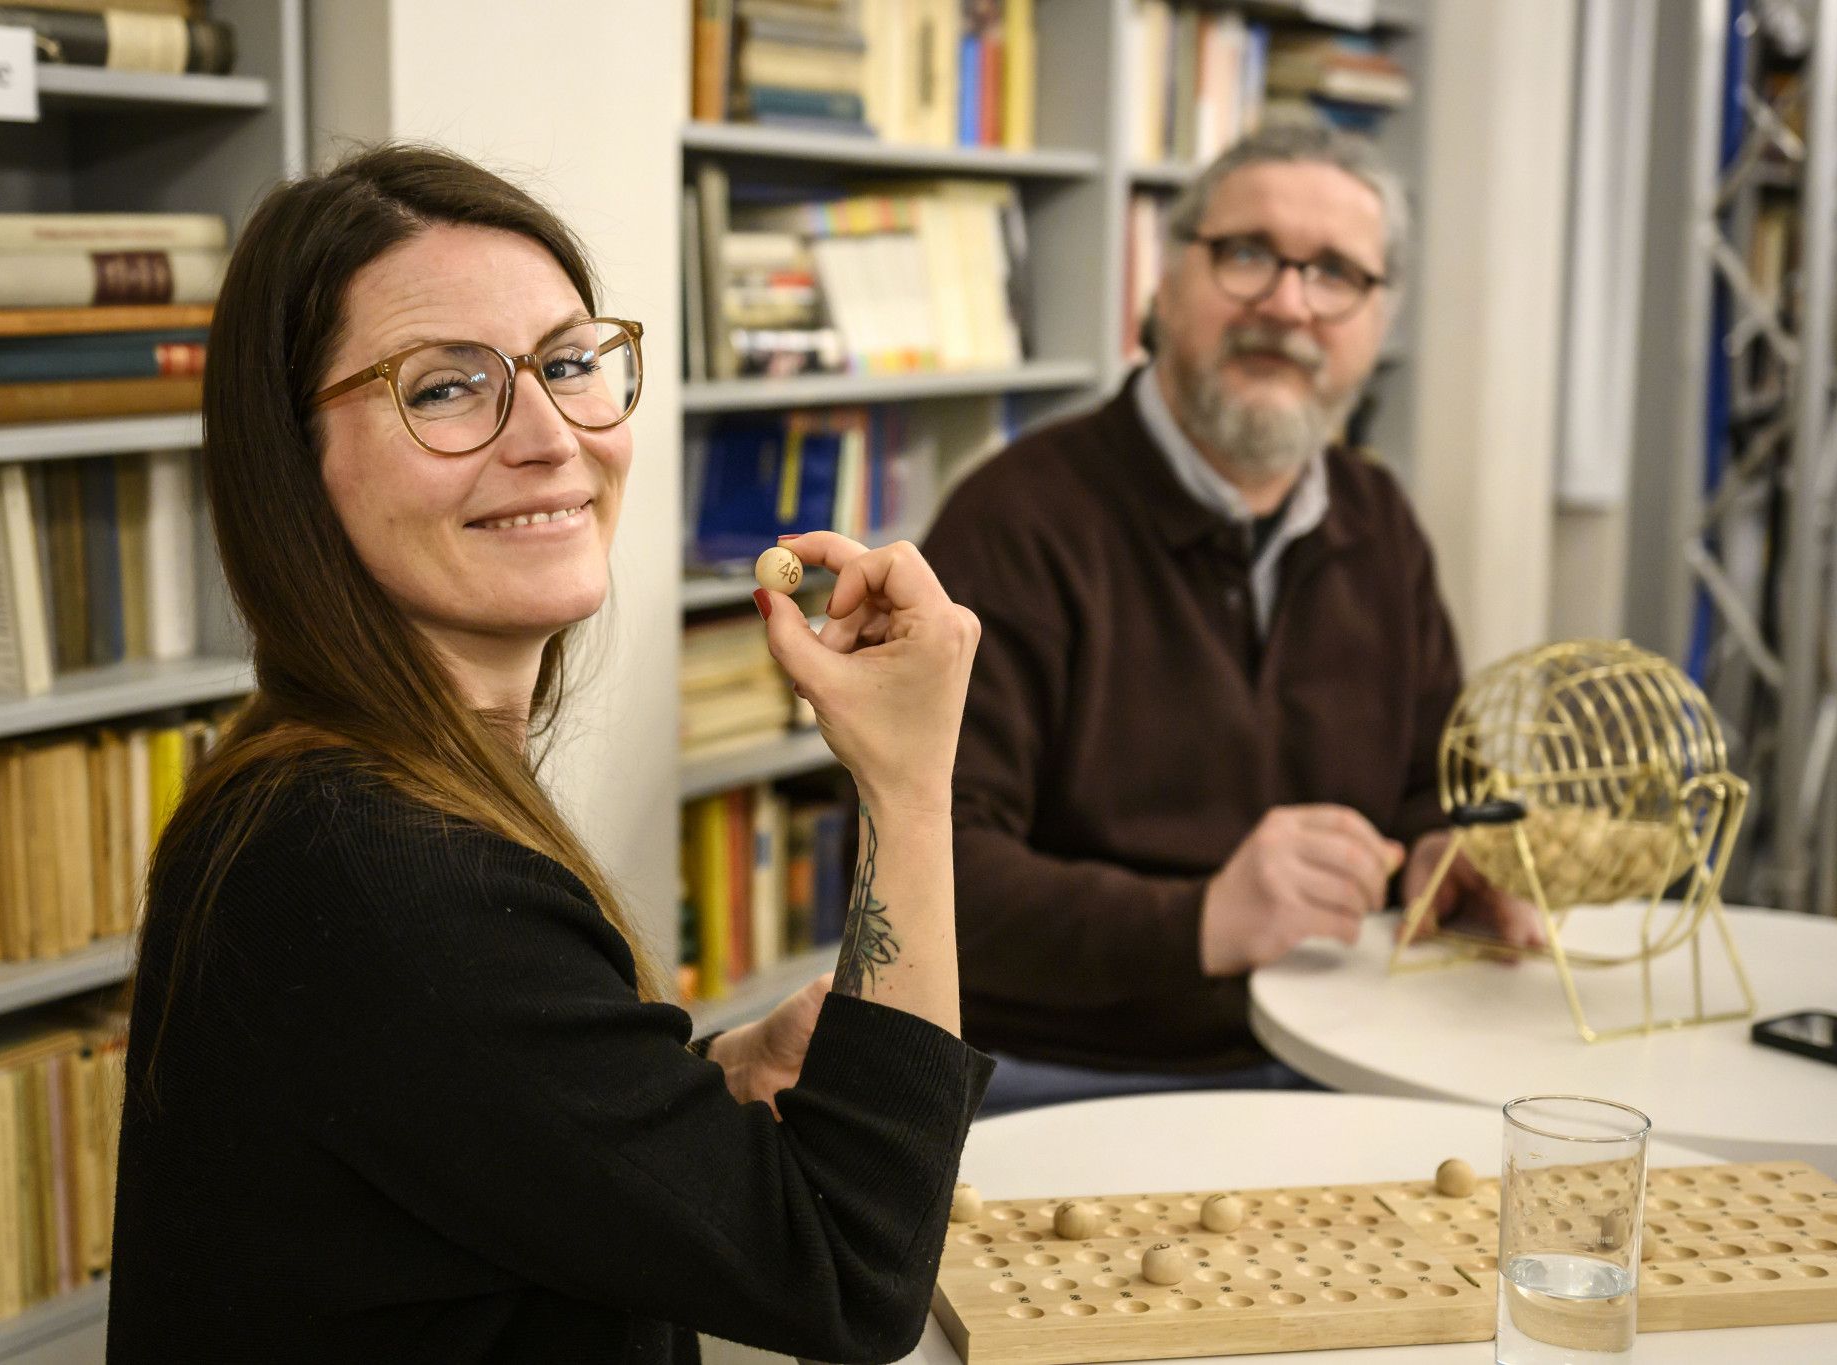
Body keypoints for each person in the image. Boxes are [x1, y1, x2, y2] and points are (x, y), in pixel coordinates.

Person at [107, 144, 988, 1363]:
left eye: (568, 364)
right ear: (292, 463)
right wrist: (907, 782)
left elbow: (451, 1154)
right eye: (444, 388)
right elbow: (855, 1273)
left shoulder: (323, 789)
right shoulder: (382, 873)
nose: (550, 437)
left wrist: (710, 1087)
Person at [919, 122, 1540, 1115]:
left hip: (1347, 1056)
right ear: (1164, 285)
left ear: (1378, 321)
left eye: (1335, 273)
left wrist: (1448, 856)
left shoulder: (1379, 521)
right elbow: (924, 874)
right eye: (1247, 254)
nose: (1287, 304)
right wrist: (1200, 919)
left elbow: (1435, 787)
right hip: (1072, 1078)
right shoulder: (1012, 522)